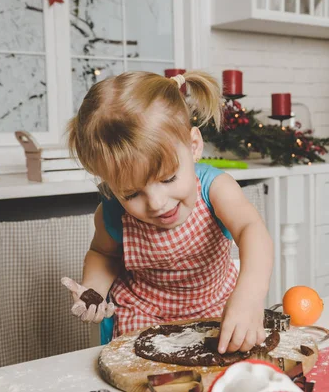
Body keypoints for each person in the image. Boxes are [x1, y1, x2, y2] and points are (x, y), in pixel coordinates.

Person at [60, 70, 273, 354]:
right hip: (143, 315)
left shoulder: (215, 189)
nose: (157, 203)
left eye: (168, 178)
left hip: (215, 309)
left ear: (193, 146)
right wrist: (94, 291)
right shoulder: (111, 212)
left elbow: (252, 230)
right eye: (132, 193)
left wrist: (249, 296)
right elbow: (103, 254)